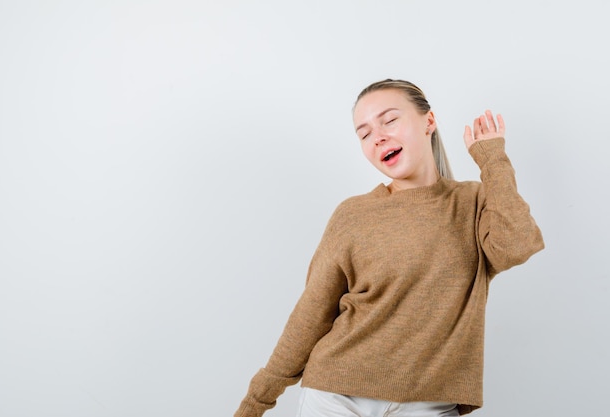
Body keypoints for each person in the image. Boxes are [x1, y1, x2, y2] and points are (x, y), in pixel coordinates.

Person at [233, 79, 544, 417]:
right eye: (364, 134)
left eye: (389, 120)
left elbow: (516, 246)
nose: (377, 136)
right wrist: (256, 402)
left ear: (428, 122)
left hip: (431, 403)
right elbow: (311, 314)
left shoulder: (473, 202)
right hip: (336, 397)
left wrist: (492, 160)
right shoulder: (353, 214)